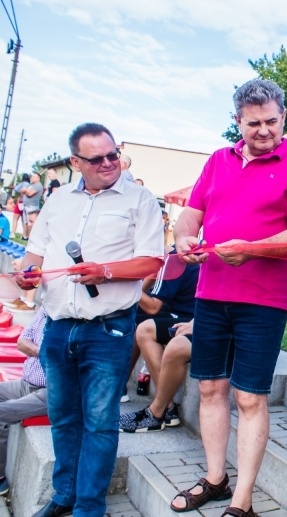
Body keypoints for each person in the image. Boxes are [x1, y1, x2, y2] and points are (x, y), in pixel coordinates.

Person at [171, 78, 287, 516]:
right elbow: (190, 216)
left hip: (264, 300)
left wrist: (250, 249)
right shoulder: (217, 160)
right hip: (211, 292)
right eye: (253, 123)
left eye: (272, 121)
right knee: (211, 388)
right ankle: (215, 479)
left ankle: (243, 499)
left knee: (250, 397)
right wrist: (183, 239)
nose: (264, 130)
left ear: (283, 117)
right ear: (238, 121)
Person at [18, 122, 164, 517]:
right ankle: (64, 494)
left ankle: (89, 506)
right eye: (96, 158)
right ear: (75, 161)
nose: (108, 163)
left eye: (113, 154)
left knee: (99, 423)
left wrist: (107, 271)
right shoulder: (59, 199)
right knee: (63, 417)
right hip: (58, 326)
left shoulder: (140, 199)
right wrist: (25, 272)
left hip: (109, 329)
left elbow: (152, 259)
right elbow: (36, 252)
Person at [120, 248, 200, 404]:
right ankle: (120, 386)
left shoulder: (176, 257)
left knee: (143, 325)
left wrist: (125, 283)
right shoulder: (179, 255)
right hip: (189, 312)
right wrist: (155, 267)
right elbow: (142, 292)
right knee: (136, 316)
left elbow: (152, 306)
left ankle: (166, 405)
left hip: (189, 318)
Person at [0, 307, 49, 497]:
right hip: (26, 383)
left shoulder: (72, 316)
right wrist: (42, 351)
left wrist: (37, 349)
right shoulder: (45, 308)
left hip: (51, 392)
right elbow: (22, 342)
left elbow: (60, 356)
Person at [119, 319, 194, 433]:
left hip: (222, 327)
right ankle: (168, 407)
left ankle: (156, 413)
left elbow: (154, 307)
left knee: (176, 346)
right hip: (207, 317)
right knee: (144, 329)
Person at [20, 172, 44, 239]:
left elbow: (30, 194)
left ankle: (31, 237)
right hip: (25, 205)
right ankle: (25, 236)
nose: (31, 178)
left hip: (32, 206)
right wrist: (26, 190)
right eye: (32, 177)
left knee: (31, 222)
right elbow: (21, 191)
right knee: (25, 222)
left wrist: (26, 190)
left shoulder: (38, 185)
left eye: (34, 177)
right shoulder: (30, 185)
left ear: (38, 178)